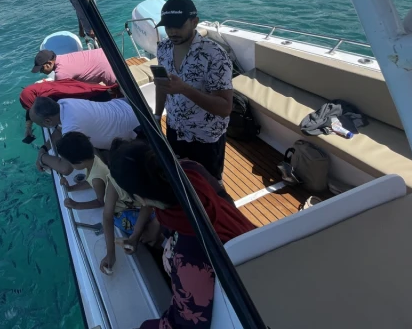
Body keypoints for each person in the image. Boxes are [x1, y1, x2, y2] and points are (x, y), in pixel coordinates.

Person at [109, 139, 256, 329]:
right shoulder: (191, 170)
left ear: (140, 199)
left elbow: (186, 324)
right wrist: (158, 224)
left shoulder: (190, 259)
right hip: (248, 248)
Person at [57, 133, 161, 276]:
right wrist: (111, 253)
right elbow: (107, 215)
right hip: (133, 208)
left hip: (131, 208)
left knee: (153, 230)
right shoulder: (110, 176)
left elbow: (144, 205)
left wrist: (77, 205)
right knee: (153, 229)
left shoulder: (131, 180)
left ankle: (155, 244)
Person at [154, 0, 233, 181]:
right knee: (181, 176)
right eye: (168, 27)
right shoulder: (163, 48)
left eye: (178, 26)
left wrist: (184, 89)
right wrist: (157, 117)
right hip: (175, 128)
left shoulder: (215, 56)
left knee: (211, 185)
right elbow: (161, 85)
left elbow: (225, 108)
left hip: (206, 137)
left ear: (194, 22)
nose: (172, 32)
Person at [29, 96, 138, 174]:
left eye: (41, 124)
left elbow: (65, 168)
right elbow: (59, 131)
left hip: (136, 128)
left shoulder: (71, 127)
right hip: (128, 104)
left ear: (48, 121)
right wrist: (44, 148)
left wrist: (42, 158)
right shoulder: (64, 103)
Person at [19, 78, 117, 143]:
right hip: (96, 93)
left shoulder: (54, 100)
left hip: (100, 100)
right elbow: (30, 108)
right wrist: (28, 127)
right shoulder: (38, 90)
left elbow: (61, 128)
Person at [31, 48, 117, 86]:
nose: (41, 72)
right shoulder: (63, 58)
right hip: (105, 53)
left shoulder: (61, 73)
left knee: (122, 95)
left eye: (41, 69)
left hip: (106, 69)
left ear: (49, 63)